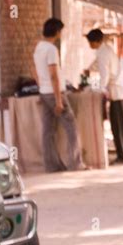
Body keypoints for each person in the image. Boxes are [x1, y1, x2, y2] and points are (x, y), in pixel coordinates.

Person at [33, 18, 84, 172]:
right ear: (56, 32)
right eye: (60, 31)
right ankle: (75, 163)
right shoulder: (51, 49)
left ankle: (51, 165)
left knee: (47, 131)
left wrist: (40, 85)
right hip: (55, 93)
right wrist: (59, 100)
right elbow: (54, 74)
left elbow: (33, 69)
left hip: (44, 92)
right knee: (71, 127)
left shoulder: (38, 47)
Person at [85, 28, 123, 164]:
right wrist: (88, 70)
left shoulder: (103, 53)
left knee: (119, 126)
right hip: (118, 92)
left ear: (97, 41)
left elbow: (104, 76)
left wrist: (97, 89)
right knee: (117, 126)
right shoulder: (104, 50)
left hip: (119, 92)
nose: (90, 45)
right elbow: (96, 65)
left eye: (91, 42)